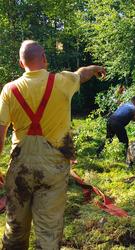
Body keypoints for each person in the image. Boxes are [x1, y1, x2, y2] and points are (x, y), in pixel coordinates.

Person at [0, 40, 106, 249]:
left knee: (15, 230)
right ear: (45, 59)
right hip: (53, 168)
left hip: (20, 166)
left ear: (21, 64)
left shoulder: (9, 90)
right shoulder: (62, 81)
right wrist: (93, 69)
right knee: (48, 232)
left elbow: (0, 133)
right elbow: (81, 74)